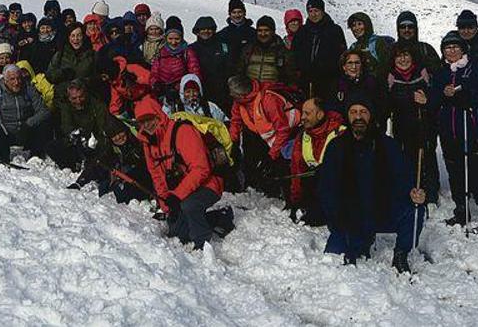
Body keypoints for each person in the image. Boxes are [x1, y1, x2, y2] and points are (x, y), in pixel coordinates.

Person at [318, 98, 425, 273]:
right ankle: (357, 240)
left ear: (371, 115)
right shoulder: (336, 146)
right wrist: (337, 220)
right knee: (334, 261)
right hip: (349, 217)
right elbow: (326, 189)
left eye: (363, 112)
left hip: (380, 210)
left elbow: (404, 177)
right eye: (354, 112)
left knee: (415, 209)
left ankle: (400, 254)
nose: (358, 117)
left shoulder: (387, 145)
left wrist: (414, 192)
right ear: (348, 116)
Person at [428, 31, 478, 232]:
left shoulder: (474, 68)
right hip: (448, 129)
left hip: (471, 127)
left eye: (455, 47)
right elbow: (433, 100)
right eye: (447, 48)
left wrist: (463, 93)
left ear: (463, 49)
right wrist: (442, 94)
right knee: (454, 169)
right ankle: (462, 208)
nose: (451, 51)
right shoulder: (442, 73)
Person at [136, 102, 225, 250]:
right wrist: (166, 203)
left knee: (189, 206)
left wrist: (177, 196)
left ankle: (202, 244)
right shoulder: (148, 142)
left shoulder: (182, 131)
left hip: (209, 184)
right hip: (182, 190)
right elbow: (156, 175)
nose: (147, 124)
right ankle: (219, 217)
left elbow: (201, 169)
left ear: (158, 115)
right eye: (142, 122)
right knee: (179, 234)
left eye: (150, 119)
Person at [61, 81, 145, 201]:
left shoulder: (136, 143)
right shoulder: (111, 148)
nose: (119, 138)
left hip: (137, 173)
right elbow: (96, 163)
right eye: (114, 136)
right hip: (119, 170)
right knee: (104, 188)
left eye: (120, 133)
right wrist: (80, 182)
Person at [227, 75, 299, 196]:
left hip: (287, 133)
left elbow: (283, 130)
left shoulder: (268, 100)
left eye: (233, 93)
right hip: (263, 134)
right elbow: (236, 121)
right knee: (254, 157)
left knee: (280, 164)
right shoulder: (239, 101)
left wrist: (272, 155)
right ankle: (258, 186)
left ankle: (283, 193)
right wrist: (233, 141)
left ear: (242, 95)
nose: (230, 95)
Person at [386, 43, 439, 205]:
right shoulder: (391, 77)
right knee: (406, 157)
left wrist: (426, 99)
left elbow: (433, 94)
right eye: (399, 56)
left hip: (423, 122)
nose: (403, 59)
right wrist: (408, 99)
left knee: (427, 155)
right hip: (402, 124)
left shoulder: (421, 73)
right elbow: (388, 101)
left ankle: (430, 191)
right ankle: (410, 190)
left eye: (406, 55)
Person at [0, 65, 51, 163]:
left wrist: (29, 123)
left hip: (24, 130)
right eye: (12, 79)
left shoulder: (28, 89)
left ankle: (35, 155)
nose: (16, 83)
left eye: (18, 78)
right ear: (5, 80)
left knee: (43, 125)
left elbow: (44, 111)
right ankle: (2, 153)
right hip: (5, 132)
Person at [290, 97, 345, 225]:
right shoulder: (303, 136)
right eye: (302, 112)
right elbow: (297, 169)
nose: (302, 117)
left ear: (320, 115)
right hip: (315, 188)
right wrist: (296, 201)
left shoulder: (340, 134)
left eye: (307, 113)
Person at [293, 0, 347, 100]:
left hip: (328, 82)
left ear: (322, 11)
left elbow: (342, 56)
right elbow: (294, 54)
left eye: (316, 11)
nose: (313, 14)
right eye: (310, 11)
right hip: (305, 82)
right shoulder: (302, 32)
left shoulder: (334, 30)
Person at [331, 51, 387, 129]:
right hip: (344, 129)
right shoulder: (337, 85)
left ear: (362, 65)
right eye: (350, 63)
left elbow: (382, 107)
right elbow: (333, 108)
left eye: (357, 63)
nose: (353, 67)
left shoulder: (372, 82)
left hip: (369, 128)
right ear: (344, 67)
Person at [236, 15, 296, 87]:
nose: (263, 34)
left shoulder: (282, 51)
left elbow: (291, 77)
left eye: (266, 30)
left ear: (273, 32)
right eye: (260, 31)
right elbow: (239, 71)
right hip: (251, 91)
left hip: (273, 92)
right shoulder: (248, 49)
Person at [46, 24, 97, 105]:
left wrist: (83, 82)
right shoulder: (60, 54)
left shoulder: (92, 55)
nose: (76, 39)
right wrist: (62, 73)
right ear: (68, 37)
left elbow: (97, 78)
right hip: (63, 101)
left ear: (83, 36)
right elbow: (49, 75)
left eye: (79, 35)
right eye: (72, 36)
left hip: (85, 101)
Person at [150, 25, 201, 103]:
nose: (173, 42)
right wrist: (156, 84)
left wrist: (183, 87)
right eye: (170, 39)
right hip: (162, 91)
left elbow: (194, 73)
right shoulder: (161, 52)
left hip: (182, 92)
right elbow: (154, 72)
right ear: (166, 38)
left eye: (177, 39)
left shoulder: (187, 53)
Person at [190, 16, 231, 111]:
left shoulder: (223, 47)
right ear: (197, 31)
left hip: (222, 93)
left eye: (209, 29)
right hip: (201, 92)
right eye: (202, 29)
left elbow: (230, 67)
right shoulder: (192, 49)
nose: (206, 31)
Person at [346, 12, 393, 77]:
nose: (357, 28)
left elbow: (385, 67)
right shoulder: (353, 47)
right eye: (353, 25)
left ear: (367, 25)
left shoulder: (378, 43)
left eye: (359, 24)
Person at [216, 0, 256, 66]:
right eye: (234, 12)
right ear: (230, 14)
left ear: (244, 13)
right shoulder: (223, 34)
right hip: (228, 72)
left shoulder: (252, 33)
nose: (237, 15)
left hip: (249, 71)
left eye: (239, 12)